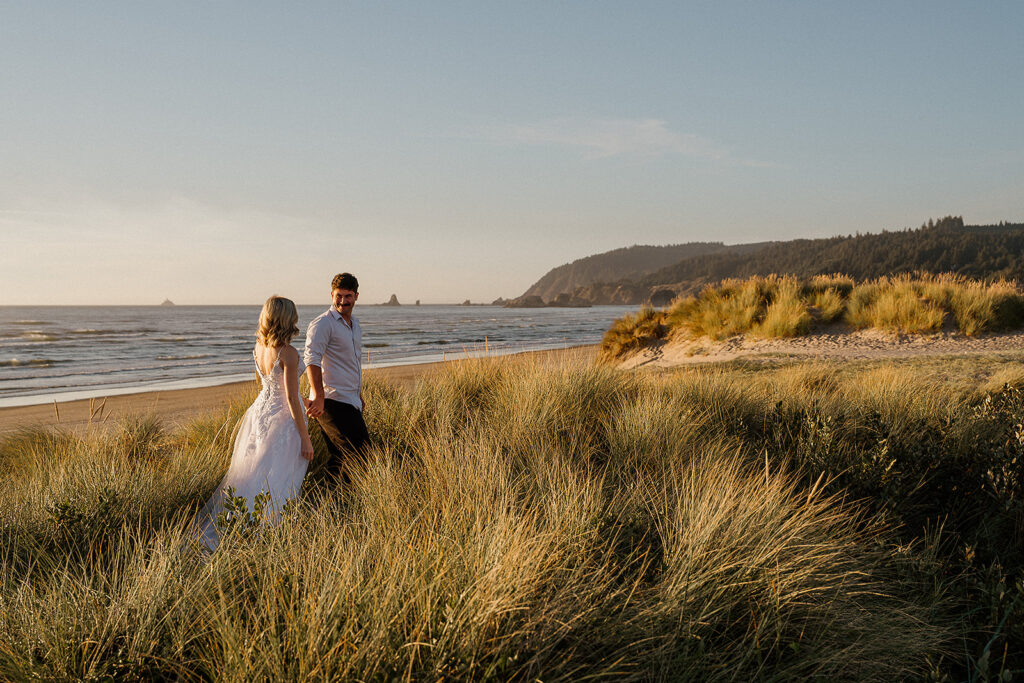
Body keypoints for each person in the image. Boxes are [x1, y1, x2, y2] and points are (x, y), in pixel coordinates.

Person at [194, 296, 314, 551]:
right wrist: (305, 437)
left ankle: (237, 523)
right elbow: (290, 398)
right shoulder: (288, 353)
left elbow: (273, 386)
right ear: (287, 319)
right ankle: (267, 531)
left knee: (253, 473)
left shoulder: (259, 347)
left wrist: (302, 398)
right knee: (279, 476)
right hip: (283, 422)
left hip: (260, 414)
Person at [304, 272, 369, 480]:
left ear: (356, 296)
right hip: (332, 401)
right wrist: (318, 395)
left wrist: (358, 395)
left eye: (348, 296)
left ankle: (332, 503)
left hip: (350, 400)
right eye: (338, 296)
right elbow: (311, 360)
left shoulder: (355, 325)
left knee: (341, 457)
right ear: (331, 295)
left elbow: (352, 363)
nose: (343, 301)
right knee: (361, 453)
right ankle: (338, 500)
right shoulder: (323, 323)